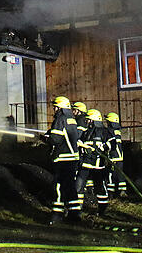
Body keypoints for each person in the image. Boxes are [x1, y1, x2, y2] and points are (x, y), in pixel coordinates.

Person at [45, 96, 79, 224]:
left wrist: (47, 138)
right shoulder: (71, 120)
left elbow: (56, 139)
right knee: (70, 186)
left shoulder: (60, 119)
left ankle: (57, 214)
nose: (54, 109)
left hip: (63, 158)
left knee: (58, 186)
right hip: (72, 158)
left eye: (55, 106)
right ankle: (74, 214)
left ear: (60, 107)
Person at [72, 109, 110, 217]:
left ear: (94, 121)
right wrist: (81, 144)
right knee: (78, 186)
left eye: (89, 120)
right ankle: (76, 210)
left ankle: (102, 209)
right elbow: (78, 141)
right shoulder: (86, 132)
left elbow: (112, 144)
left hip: (98, 165)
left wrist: (102, 148)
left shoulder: (104, 132)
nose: (87, 122)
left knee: (100, 187)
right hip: (85, 164)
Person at [104, 112, 126, 198]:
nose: (107, 123)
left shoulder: (110, 131)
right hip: (119, 157)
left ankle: (110, 192)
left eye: (108, 122)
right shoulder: (117, 131)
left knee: (110, 174)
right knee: (120, 174)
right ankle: (122, 190)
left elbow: (111, 145)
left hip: (114, 157)